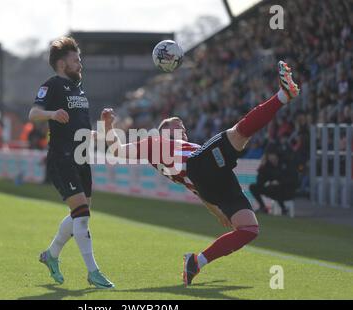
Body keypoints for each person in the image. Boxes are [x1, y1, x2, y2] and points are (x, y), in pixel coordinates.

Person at [101, 61, 300, 286]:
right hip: (200, 167)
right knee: (239, 134)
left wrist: (217, 212)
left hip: (214, 180)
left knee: (249, 229)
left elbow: (198, 190)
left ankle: (197, 261)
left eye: (184, 127)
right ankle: (283, 96)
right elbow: (117, 149)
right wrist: (108, 127)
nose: (183, 130)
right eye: (178, 126)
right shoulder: (154, 144)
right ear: (163, 132)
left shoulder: (187, 148)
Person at [28, 37, 114, 289]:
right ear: (61, 63)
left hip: (81, 157)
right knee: (82, 214)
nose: (80, 63)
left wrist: (106, 128)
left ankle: (51, 255)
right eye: (76, 60)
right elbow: (33, 114)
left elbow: (84, 132)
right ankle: (93, 272)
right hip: (62, 158)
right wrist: (52, 114)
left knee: (81, 213)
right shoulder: (52, 85)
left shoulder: (79, 90)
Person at [249, 146, 298, 215]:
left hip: (287, 190)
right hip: (273, 190)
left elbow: (292, 179)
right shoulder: (267, 166)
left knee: (276, 187)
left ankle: (284, 209)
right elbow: (260, 183)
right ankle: (263, 207)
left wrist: (279, 182)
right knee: (253, 187)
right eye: (269, 155)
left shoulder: (285, 163)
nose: (271, 157)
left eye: (272, 155)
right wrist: (261, 168)